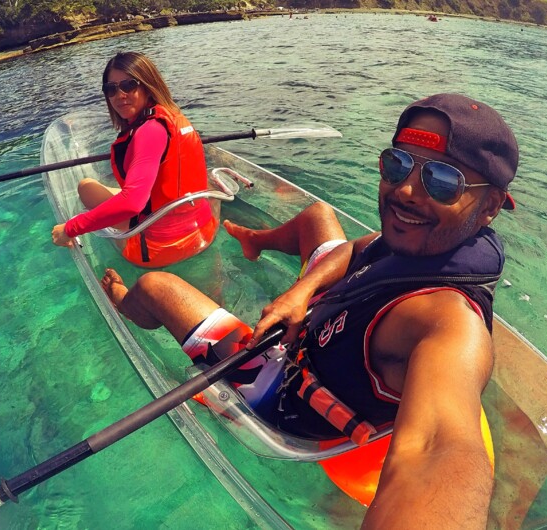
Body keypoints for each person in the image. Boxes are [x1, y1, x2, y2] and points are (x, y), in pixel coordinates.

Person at [98, 93, 518, 528]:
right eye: (397, 164)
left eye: (443, 181)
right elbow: (361, 247)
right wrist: (300, 292)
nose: (406, 191)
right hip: (314, 316)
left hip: (285, 388)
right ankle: (255, 241)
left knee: (156, 286)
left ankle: (127, 305)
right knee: (319, 215)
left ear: (489, 206)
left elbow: (436, 451)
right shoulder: (427, 240)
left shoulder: (446, 322)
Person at [51, 51, 217, 268]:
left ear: (148, 85)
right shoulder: (173, 117)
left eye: (129, 85)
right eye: (111, 89)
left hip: (161, 248)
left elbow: (132, 203)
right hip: (202, 231)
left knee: (87, 190)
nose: (120, 95)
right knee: (88, 187)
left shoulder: (150, 131)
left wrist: (69, 228)